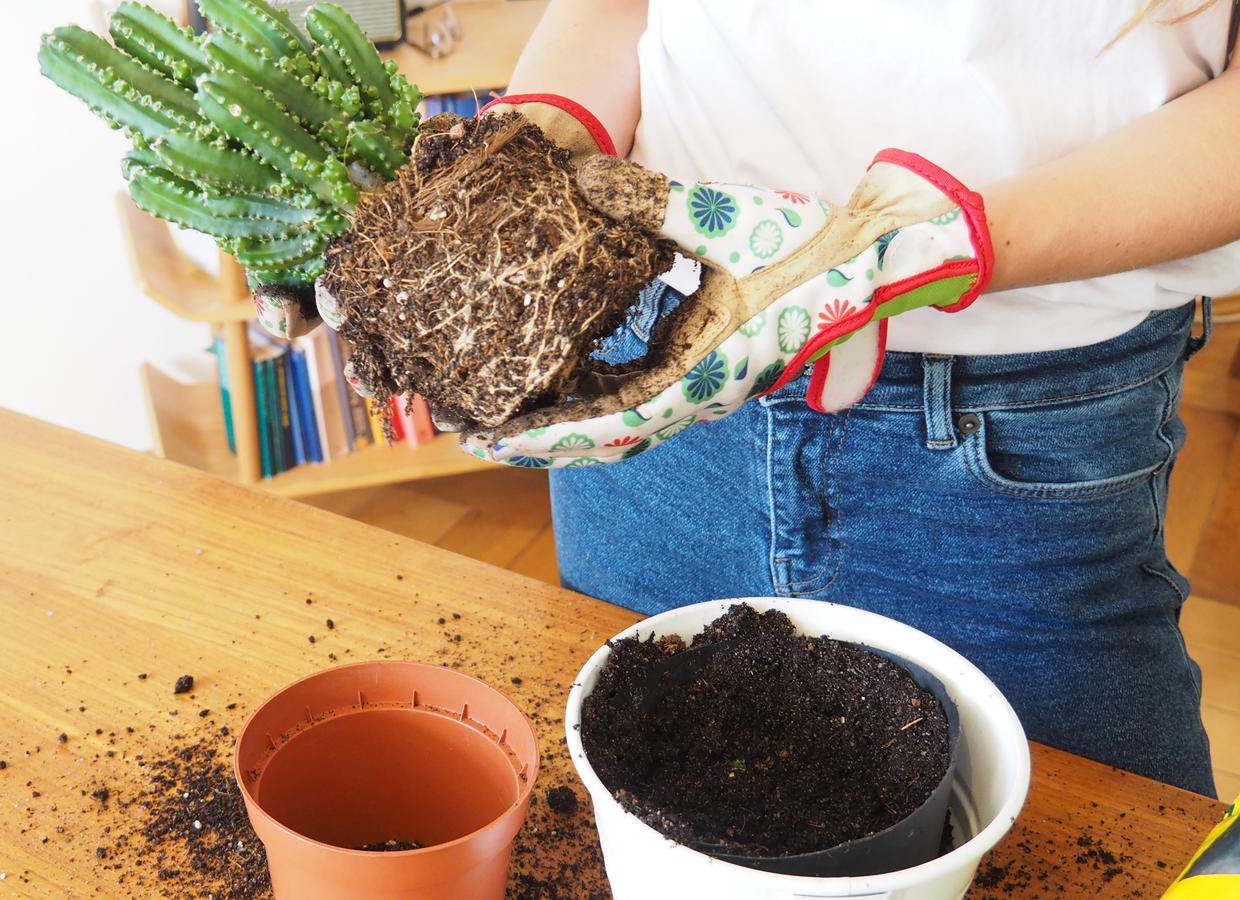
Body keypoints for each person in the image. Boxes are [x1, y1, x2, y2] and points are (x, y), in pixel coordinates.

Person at [487, 0, 1240, 798]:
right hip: (655, 386)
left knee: (1112, 843)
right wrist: (538, 144)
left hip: (1011, 457)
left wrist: (932, 243)